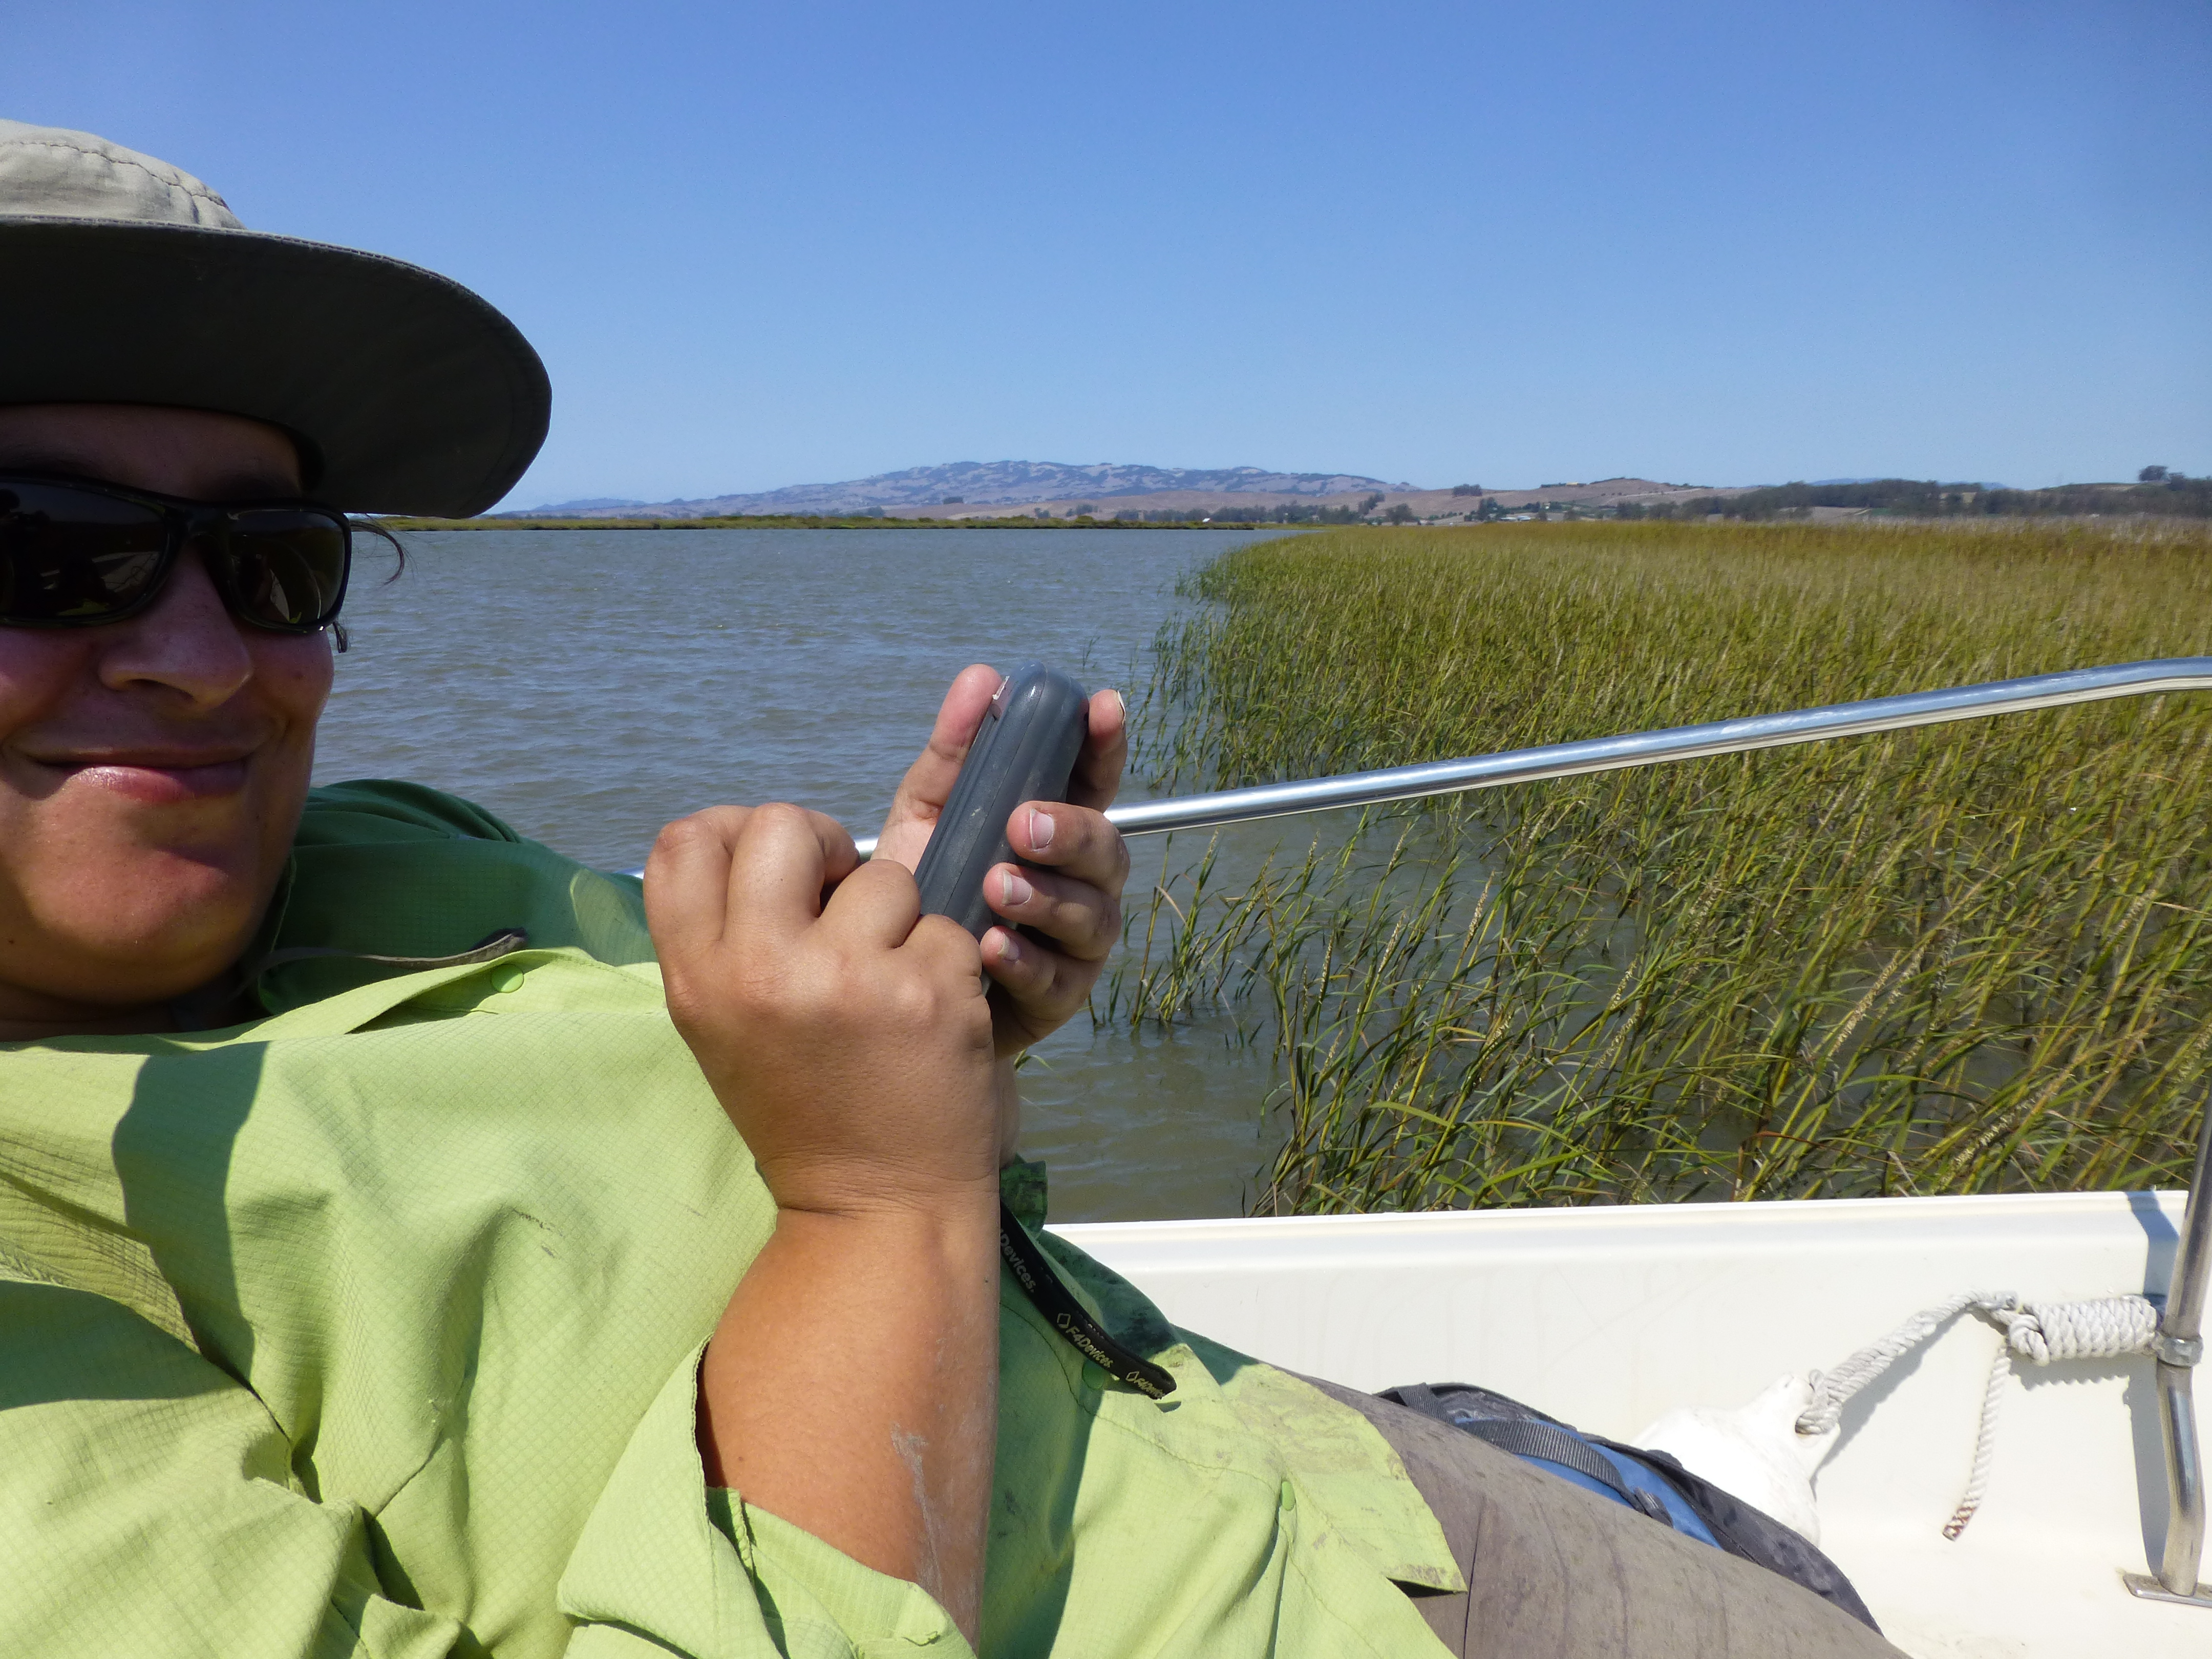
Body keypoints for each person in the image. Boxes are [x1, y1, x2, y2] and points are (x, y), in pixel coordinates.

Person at [0, 120, 1901, 1658]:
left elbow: (765, 1111)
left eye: (273, 560)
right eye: (51, 549)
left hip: (1271, 1454)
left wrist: (937, 1005)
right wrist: (882, 1186)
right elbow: (853, 1182)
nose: (209, 660)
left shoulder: (388, 846)